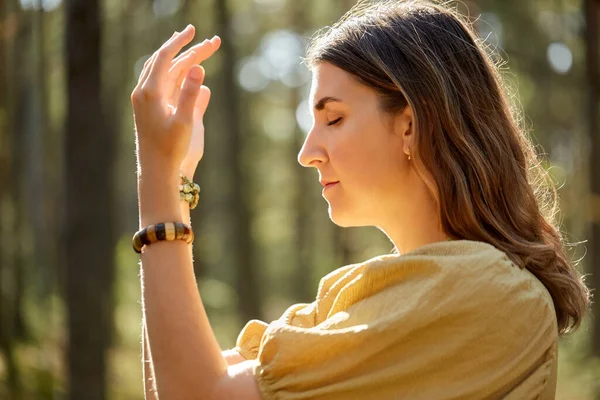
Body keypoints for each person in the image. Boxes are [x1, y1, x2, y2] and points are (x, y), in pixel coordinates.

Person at [131, 1, 590, 399]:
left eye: (333, 118)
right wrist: (173, 179)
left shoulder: (486, 291)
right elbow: (175, 381)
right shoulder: (362, 296)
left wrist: (157, 179)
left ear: (411, 125)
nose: (307, 153)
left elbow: (195, 394)